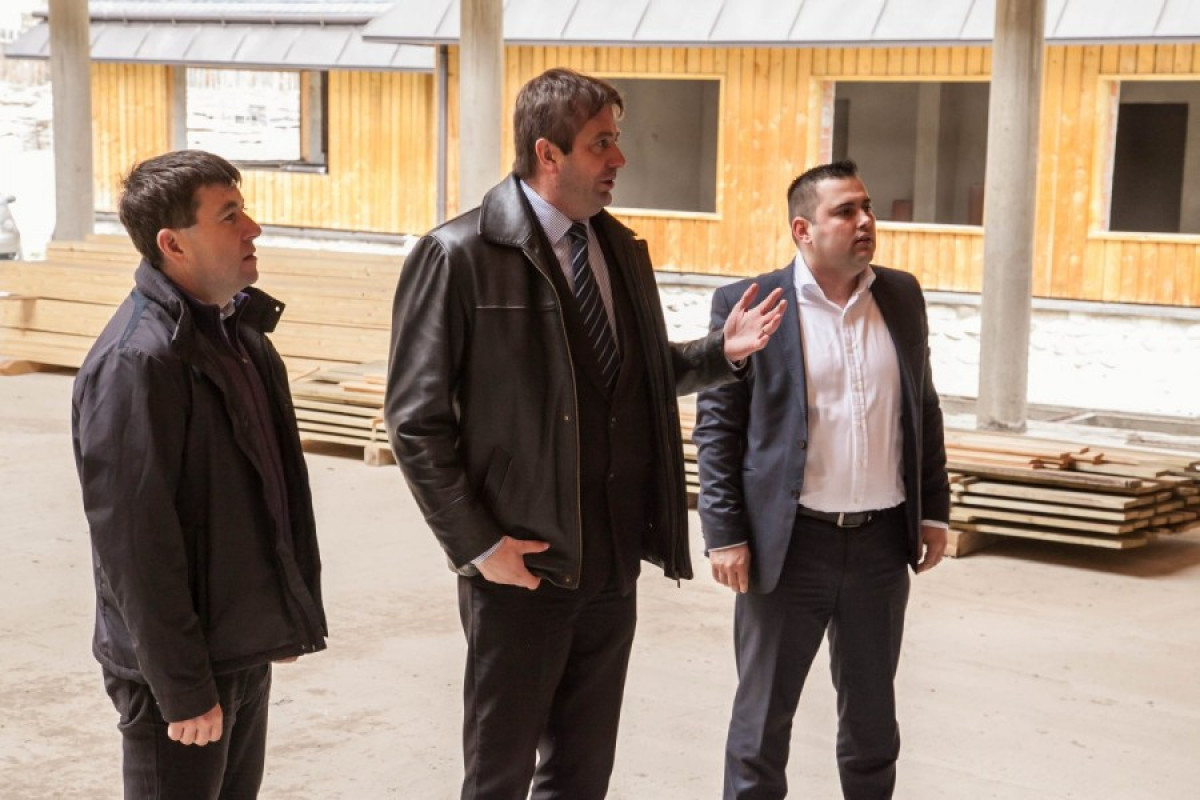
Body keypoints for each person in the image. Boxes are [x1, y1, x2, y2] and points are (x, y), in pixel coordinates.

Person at [385, 67, 786, 800]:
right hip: (521, 563)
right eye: (601, 143)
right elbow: (415, 421)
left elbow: (633, 377)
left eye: (616, 140)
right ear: (548, 153)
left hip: (610, 561)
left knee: (582, 772)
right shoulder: (458, 255)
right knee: (500, 774)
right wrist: (478, 545)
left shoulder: (619, 249)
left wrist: (719, 355)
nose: (619, 158)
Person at [71, 150, 328, 799]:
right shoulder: (138, 363)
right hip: (181, 674)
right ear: (173, 244)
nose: (253, 229)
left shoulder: (240, 336)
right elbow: (134, 546)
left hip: (239, 645)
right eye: (229, 215)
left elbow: (271, 492)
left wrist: (283, 613)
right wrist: (183, 687)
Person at [693, 160, 950, 800]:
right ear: (802, 230)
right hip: (788, 547)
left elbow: (922, 407)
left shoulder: (901, 296)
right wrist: (724, 533)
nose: (865, 221)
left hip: (880, 547)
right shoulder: (750, 303)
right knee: (761, 724)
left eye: (867, 207)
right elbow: (718, 429)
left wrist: (933, 510)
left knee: (872, 724)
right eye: (846, 211)